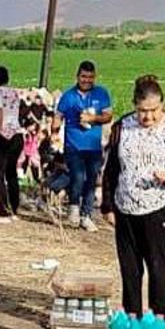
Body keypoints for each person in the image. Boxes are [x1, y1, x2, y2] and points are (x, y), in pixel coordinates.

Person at [101, 75, 165, 329]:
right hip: (126, 210)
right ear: (134, 105)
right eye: (143, 111)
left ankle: (161, 326)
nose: (148, 117)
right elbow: (111, 169)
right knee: (130, 271)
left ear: (162, 105)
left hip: (158, 209)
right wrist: (108, 205)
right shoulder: (122, 128)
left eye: (154, 110)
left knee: (158, 269)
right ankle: (132, 324)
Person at [56, 61, 113, 231]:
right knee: (78, 176)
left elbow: (108, 116)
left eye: (90, 77)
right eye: (83, 77)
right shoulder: (68, 96)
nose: (86, 80)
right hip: (73, 145)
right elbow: (58, 116)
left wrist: (93, 119)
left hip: (94, 145)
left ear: (94, 77)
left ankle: (86, 215)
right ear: (78, 77)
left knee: (91, 180)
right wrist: (53, 132)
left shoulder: (101, 94)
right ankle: (73, 205)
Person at [0, 65, 24, 223]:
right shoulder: (14, 92)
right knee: (11, 173)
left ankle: (2, 210)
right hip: (17, 134)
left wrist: (0, 129)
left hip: (0, 135)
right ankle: (14, 209)